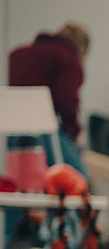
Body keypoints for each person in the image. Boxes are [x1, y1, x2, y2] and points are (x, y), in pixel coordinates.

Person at [8, 21, 90, 175]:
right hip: (44, 130)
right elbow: (67, 102)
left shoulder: (17, 53)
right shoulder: (68, 58)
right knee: (79, 177)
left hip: (12, 130)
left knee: (23, 179)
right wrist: (73, 131)